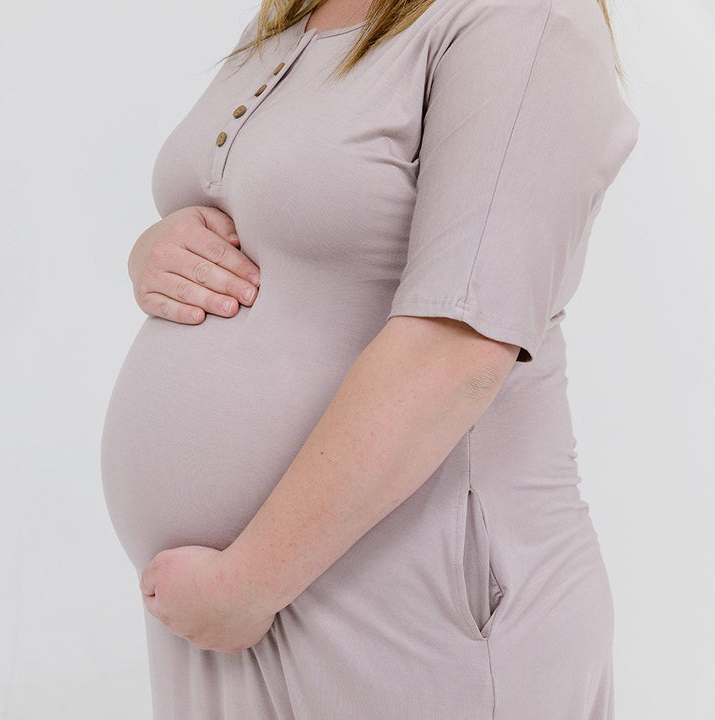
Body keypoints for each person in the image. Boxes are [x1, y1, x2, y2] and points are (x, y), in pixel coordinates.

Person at [99, 0, 640, 717]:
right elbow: (285, 216)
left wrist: (249, 583)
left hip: (413, 612)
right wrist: (158, 250)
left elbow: (462, 345)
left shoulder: (525, 18)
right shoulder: (300, 10)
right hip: (230, 610)